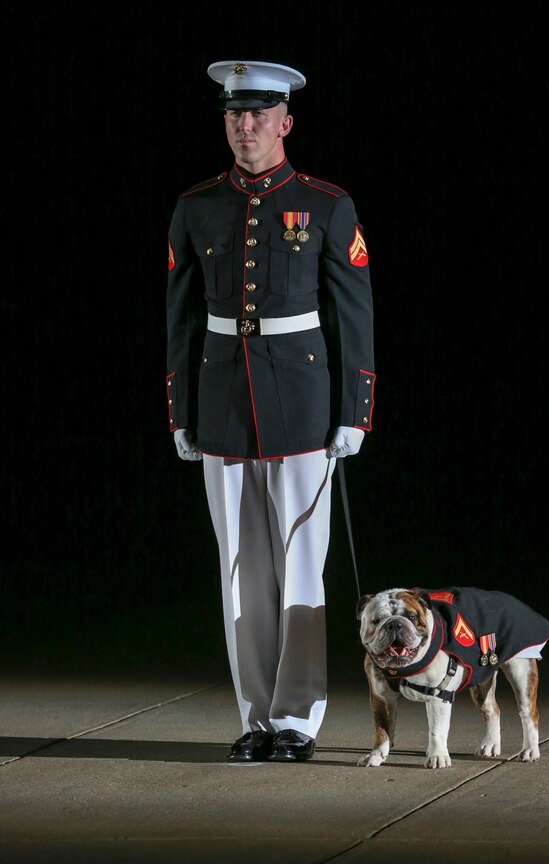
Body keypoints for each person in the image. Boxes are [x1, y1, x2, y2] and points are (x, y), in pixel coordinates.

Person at [165, 59, 375, 762]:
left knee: (299, 566)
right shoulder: (196, 205)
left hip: (300, 404)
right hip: (222, 399)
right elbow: (182, 317)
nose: (244, 127)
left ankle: (297, 721)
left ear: (285, 123)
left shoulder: (324, 204)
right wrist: (179, 410)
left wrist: (355, 410)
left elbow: (353, 313)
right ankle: (257, 718)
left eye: (258, 115)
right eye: (233, 115)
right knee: (240, 569)